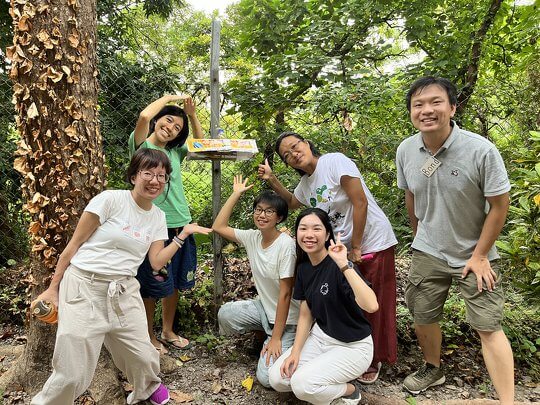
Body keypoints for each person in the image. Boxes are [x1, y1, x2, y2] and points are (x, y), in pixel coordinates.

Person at [31, 148, 211, 405]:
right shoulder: (110, 200)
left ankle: (147, 389)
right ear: (134, 175)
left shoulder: (158, 217)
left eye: (161, 176)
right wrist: (52, 288)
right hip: (84, 285)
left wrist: (182, 235)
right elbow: (73, 246)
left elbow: (156, 261)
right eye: (148, 173)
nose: (155, 181)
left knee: (143, 354)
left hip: (124, 290)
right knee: (71, 369)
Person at [396, 76, 514, 403]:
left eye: (435, 102)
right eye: (418, 104)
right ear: (410, 112)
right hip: (429, 250)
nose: (426, 110)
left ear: (452, 106)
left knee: (488, 326)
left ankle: (507, 400)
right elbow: (411, 196)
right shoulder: (407, 150)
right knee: (422, 314)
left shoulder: (480, 150)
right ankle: (433, 368)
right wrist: (419, 236)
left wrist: (480, 255)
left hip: (474, 252)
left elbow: (499, 206)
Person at [258, 133, 397, 383]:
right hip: (340, 249)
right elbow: (291, 202)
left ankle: (375, 356)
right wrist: (271, 178)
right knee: (346, 299)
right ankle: (345, 352)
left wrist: (356, 247)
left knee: (374, 301)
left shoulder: (334, 162)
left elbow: (360, 201)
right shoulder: (305, 185)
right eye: (287, 155)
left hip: (371, 241)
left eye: (295, 147)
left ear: (308, 144)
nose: (294, 154)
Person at [268, 208, 378, 405]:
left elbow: (371, 305)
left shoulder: (338, 264)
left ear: (327, 234)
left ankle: (350, 391)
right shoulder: (303, 267)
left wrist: (345, 265)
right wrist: (295, 352)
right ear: (297, 234)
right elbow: (305, 314)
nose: (309, 234)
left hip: (353, 347)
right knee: (277, 378)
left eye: (316, 229)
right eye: (303, 229)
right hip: (321, 338)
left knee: (302, 385)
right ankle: (324, 381)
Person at [129, 94, 204, 353]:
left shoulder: (174, 151)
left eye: (176, 128)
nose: (170, 128)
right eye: (168, 121)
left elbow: (202, 144)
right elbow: (144, 117)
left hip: (181, 223)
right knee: (151, 284)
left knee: (173, 283)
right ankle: (148, 336)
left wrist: (191, 115)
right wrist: (171, 98)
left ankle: (168, 330)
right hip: (153, 227)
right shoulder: (142, 147)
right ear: (158, 119)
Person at [212, 175, 299, 388]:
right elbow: (219, 226)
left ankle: (288, 344)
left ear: (279, 218)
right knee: (226, 314)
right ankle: (264, 336)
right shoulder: (253, 237)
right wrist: (236, 194)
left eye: (269, 211)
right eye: (258, 209)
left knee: (267, 379)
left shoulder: (285, 246)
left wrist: (277, 337)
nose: (262, 215)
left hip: (288, 320)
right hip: (265, 310)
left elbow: (286, 294)